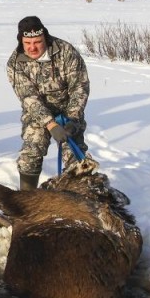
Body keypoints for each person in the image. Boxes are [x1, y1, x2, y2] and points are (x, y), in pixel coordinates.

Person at [6, 16, 90, 190]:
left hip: (68, 112)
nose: (32, 47)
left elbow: (79, 87)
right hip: (38, 114)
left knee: (75, 156)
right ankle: (28, 200)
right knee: (30, 154)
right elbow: (29, 98)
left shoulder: (65, 51)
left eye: (37, 41)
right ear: (21, 40)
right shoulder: (15, 63)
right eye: (27, 42)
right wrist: (51, 125)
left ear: (45, 37)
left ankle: (79, 197)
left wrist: (72, 120)